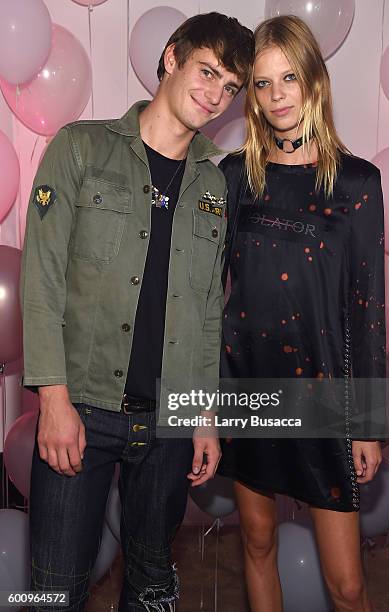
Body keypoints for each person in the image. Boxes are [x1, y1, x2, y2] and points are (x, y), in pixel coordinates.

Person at [21, 12, 253, 611]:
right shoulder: (81, 148)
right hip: (83, 412)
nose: (215, 96)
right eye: (207, 72)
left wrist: (203, 415)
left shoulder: (212, 183)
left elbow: (208, 309)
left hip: (170, 424)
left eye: (229, 88)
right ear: (172, 58)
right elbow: (41, 278)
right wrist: (52, 398)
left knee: (151, 588)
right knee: (55, 589)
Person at [219, 15, 385, 612]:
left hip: (322, 399)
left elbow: (368, 309)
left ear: (314, 79)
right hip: (248, 387)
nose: (277, 95)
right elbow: (211, 298)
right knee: (257, 545)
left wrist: (366, 422)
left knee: (347, 585)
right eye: (261, 84)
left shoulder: (359, 183)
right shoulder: (235, 177)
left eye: (288, 77)